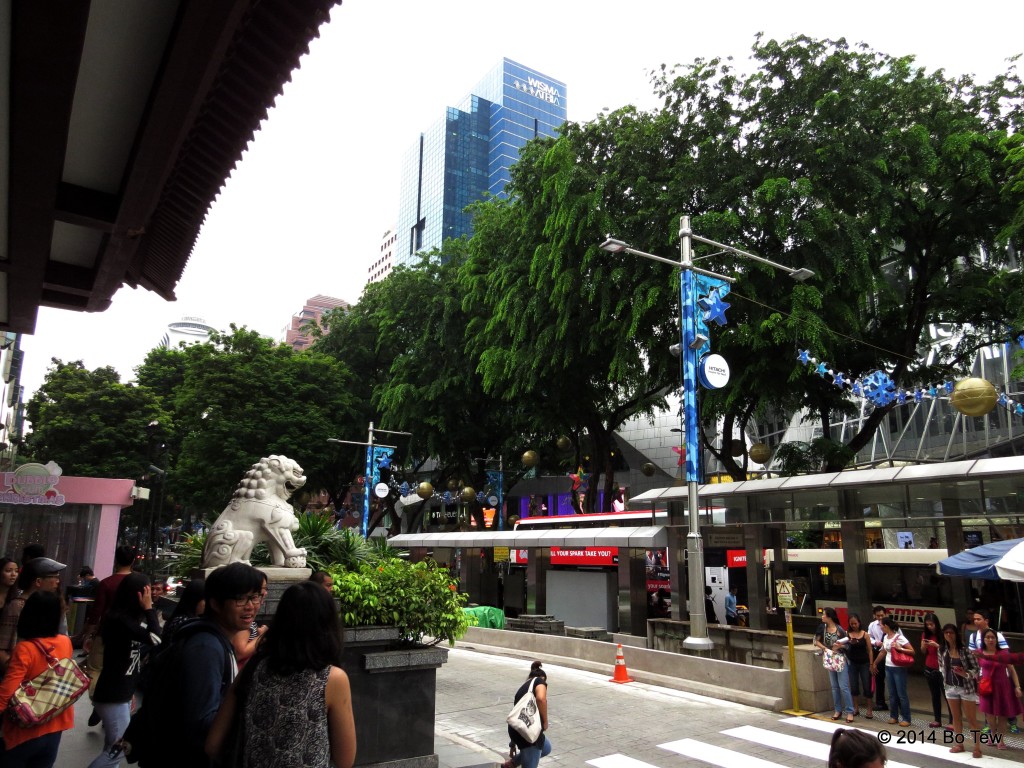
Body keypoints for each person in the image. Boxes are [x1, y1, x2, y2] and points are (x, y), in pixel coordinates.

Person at [120, 562, 264, 767]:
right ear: (215, 603)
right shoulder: (206, 648)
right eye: (240, 599)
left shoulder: (214, 640)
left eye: (255, 597)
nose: (251, 606)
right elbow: (201, 724)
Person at [206, 581, 356, 768]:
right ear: (328, 624)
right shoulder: (332, 679)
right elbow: (345, 759)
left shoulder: (254, 668)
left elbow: (213, 744)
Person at [88, 573, 161, 768]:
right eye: (147, 591)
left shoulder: (125, 620)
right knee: (119, 749)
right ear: (137, 595)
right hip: (113, 694)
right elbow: (156, 639)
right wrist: (149, 608)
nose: (151, 595)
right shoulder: (121, 621)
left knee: (112, 748)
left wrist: (130, 693)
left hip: (119, 693)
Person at [0, 590, 75, 767]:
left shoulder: (25, 648)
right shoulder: (65, 642)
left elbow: (7, 690)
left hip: (25, 730)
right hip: (55, 726)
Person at [0, 557, 66, 672]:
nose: (57, 581)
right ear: (38, 582)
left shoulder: (50, 604)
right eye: (54, 577)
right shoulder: (17, 606)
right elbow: (2, 647)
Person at [938, 622, 983, 758]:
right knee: (956, 718)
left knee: (971, 719)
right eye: (946, 633)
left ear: (956, 634)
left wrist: (966, 674)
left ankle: (977, 747)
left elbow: (976, 669)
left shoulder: (965, 650)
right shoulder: (942, 650)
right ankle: (959, 744)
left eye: (951, 633)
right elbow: (940, 666)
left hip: (966, 688)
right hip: (950, 687)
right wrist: (945, 678)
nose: (949, 635)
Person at [977, 627, 1024, 750]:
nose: (990, 640)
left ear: (997, 640)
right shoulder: (979, 653)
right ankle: (993, 736)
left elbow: (1012, 671)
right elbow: (975, 669)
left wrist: (1017, 687)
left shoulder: (1003, 654)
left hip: (1003, 687)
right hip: (987, 688)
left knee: (1002, 715)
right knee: (990, 716)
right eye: (988, 637)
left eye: (993, 637)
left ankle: (1000, 740)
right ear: (983, 640)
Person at [504, 661, 551, 768]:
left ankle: (512, 764)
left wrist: (512, 745)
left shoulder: (523, 689)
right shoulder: (539, 681)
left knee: (546, 747)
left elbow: (517, 720)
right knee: (533, 753)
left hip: (517, 730)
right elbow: (541, 699)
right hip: (529, 735)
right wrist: (545, 722)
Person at [871, 616, 913, 727]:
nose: (880, 627)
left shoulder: (899, 637)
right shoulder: (886, 637)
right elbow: (883, 651)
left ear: (886, 626)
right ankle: (893, 716)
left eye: (881, 625)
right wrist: (875, 663)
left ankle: (906, 718)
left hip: (899, 668)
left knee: (901, 694)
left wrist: (900, 648)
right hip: (888, 667)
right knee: (892, 694)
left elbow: (912, 651)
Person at [814, 607, 854, 723]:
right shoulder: (822, 628)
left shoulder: (840, 630)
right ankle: (837, 710)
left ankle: (850, 711)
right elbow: (816, 641)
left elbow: (847, 645)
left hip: (840, 658)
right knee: (834, 686)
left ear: (829, 617)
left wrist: (840, 646)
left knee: (844, 686)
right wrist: (825, 648)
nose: (822, 617)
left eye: (824, 615)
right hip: (830, 658)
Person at [232, 570, 267, 670]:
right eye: (261, 589)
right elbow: (240, 652)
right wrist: (262, 636)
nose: (249, 606)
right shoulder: (244, 621)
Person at [920, 612, 947, 728]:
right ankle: (937, 719)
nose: (930, 627)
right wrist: (923, 646)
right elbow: (923, 652)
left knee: (947, 695)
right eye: (927, 625)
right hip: (929, 667)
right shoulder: (925, 635)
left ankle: (953, 720)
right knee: (934, 695)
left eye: (931, 624)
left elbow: (948, 652)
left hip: (942, 668)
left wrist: (937, 646)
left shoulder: (943, 634)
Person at [161, 577, 205, 647]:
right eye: (204, 600)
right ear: (195, 600)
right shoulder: (184, 622)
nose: (207, 604)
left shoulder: (182, 618)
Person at [845, 613, 874, 719]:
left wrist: (871, 663)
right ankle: (856, 708)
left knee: (867, 685)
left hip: (864, 663)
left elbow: (870, 650)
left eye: (855, 623)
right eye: (851, 624)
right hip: (852, 663)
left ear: (859, 623)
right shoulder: (847, 634)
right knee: (853, 685)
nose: (853, 625)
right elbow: (844, 646)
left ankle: (869, 709)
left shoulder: (865, 634)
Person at [867, 605, 888, 710]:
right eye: (878, 615)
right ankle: (880, 703)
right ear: (874, 615)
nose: (880, 617)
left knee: (892, 680)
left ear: (886, 614)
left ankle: (897, 704)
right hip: (877, 653)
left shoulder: (891, 625)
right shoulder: (872, 625)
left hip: (889, 654)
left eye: (882, 615)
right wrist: (876, 642)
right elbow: (869, 637)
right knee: (878, 678)